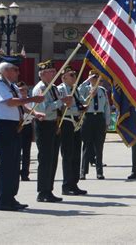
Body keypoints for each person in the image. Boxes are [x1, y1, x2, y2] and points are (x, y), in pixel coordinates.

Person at [0, 60, 45, 211]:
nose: (18, 73)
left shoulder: (11, 85)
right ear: (7, 70)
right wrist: (32, 99)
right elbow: (10, 102)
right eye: (16, 70)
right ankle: (4, 201)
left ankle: (11, 198)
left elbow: (21, 105)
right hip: (3, 127)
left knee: (14, 165)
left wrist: (35, 113)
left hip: (14, 127)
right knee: (7, 165)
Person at [33, 60, 73, 203]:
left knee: (53, 159)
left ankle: (48, 190)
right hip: (43, 125)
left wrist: (65, 104)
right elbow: (44, 108)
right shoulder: (41, 89)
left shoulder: (54, 88)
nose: (54, 74)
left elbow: (57, 107)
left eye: (54, 72)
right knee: (45, 159)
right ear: (42, 74)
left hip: (54, 124)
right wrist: (61, 101)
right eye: (51, 72)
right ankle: (42, 191)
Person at [57, 66, 87, 195]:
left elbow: (79, 103)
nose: (75, 77)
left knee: (76, 154)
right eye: (72, 75)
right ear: (64, 77)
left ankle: (74, 183)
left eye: (75, 74)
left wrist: (84, 106)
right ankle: (66, 185)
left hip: (76, 123)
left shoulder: (76, 90)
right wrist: (77, 109)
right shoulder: (60, 89)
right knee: (68, 154)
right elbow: (62, 108)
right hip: (67, 122)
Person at [79, 70, 111, 180]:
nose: (94, 79)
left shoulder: (102, 90)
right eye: (92, 77)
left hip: (99, 119)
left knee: (99, 146)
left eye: (96, 77)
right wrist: (88, 80)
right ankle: (83, 171)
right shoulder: (85, 89)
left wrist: (107, 122)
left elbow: (107, 107)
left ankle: (99, 172)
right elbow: (78, 91)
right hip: (88, 118)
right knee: (87, 146)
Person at [16, 81, 34, 181]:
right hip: (18, 127)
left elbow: (31, 114)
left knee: (27, 151)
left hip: (27, 126)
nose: (23, 92)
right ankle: (16, 172)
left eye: (25, 90)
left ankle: (25, 173)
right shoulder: (16, 101)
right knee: (17, 151)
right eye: (21, 90)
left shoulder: (30, 101)